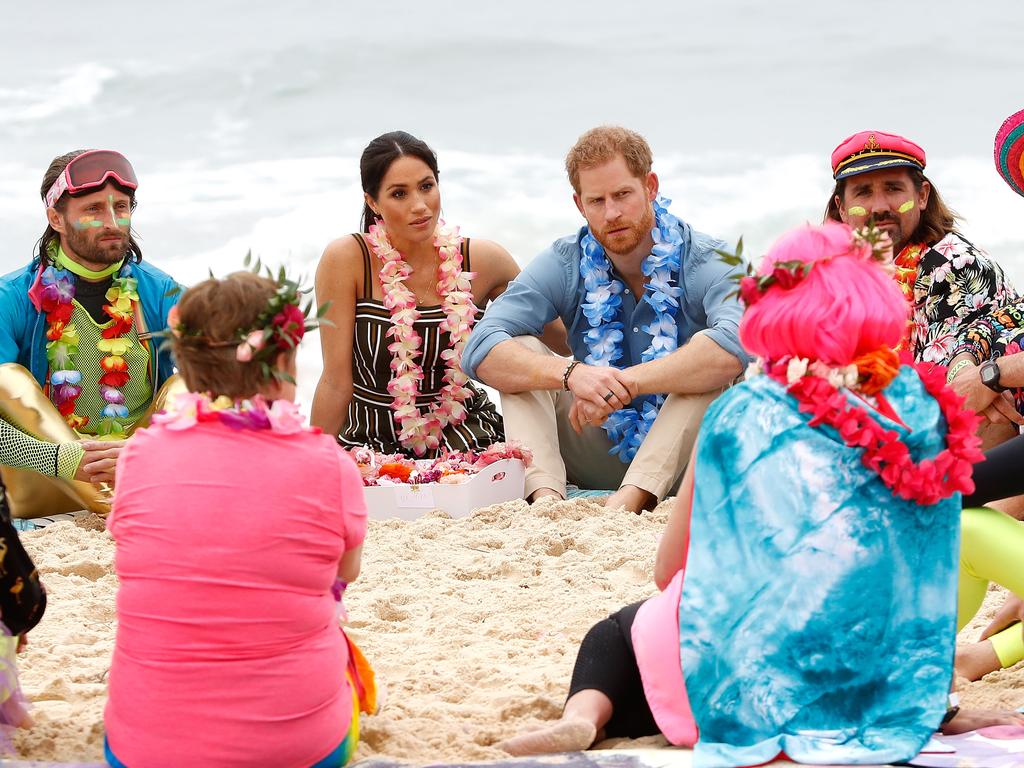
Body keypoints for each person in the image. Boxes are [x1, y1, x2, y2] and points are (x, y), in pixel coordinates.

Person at [498, 222, 1023, 765]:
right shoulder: (914, 420)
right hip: (856, 681)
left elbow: (669, 568)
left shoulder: (735, 416)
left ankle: (584, 716)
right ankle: (930, 708)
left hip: (733, 675)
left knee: (619, 633)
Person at [104, 269, 369, 767]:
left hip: (142, 750)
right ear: (285, 361)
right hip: (298, 749)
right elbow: (344, 573)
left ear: (186, 365)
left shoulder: (138, 455)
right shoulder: (327, 463)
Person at [461, 126, 746, 514]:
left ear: (650, 186)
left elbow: (736, 345)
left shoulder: (710, 260)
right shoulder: (565, 261)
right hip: (593, 438)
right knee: (521, 350)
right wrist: (571, 375)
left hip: (687, 459)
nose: (611, 213)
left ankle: (630, 501)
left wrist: (622, 385)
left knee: (710, 362)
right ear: (579, 204)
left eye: (622, 195)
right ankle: (545, 501)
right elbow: (480, 346)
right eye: (596, 200)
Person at [312, 131, 556, 457]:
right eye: (399, 193)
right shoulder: (347, 259)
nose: (420, 206)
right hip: (367, 446)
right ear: (372, 202)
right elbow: (335, 382)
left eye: (427, 186)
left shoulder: (483, 260)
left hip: (466, 439)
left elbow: (560, 340)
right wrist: (309, 464)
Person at [0, 149, 181, 518]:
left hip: (142, 471)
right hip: (46, 481)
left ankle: (124, 495)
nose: (113, 222)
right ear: (57, 219)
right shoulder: (11, 297)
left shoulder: (161, 291)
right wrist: (59, 458)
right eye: (93, 210)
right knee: (8, 380)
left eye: (122, 206)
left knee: (193, 383)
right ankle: (113, 503)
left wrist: (145, 453)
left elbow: (232, 391)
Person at [825, 130, 1024, 443]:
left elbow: (943, 392)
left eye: (893, 189)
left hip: (967, 448)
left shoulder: (953, 263)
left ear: (922, 195)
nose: (879, 207)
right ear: (842, 207)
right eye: (863, 193)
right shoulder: (842, 277)